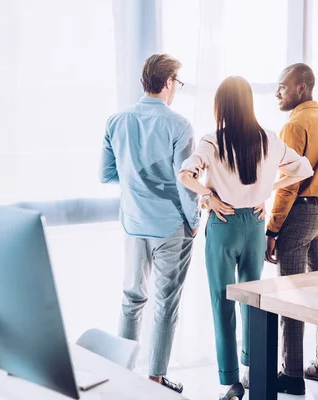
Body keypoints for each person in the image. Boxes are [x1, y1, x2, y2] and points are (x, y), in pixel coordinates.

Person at [178, 76, 313, 400]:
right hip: (254, 223)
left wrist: (208, 194)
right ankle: (254, 371)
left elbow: (185, 175)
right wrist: (267, 190)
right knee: (253, 302)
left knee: (221, 302)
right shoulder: (268, 138)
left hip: (223, 226)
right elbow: (303, 169)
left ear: (220, 106)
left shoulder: (212, 141)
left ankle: (231, 381)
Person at [99, 53, 200, 393]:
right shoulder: (179, 125)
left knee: (131, 298)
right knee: (165, 302)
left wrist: (137, 183)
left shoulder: (116, 121)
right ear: (168, 82)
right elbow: (186, 182)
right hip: (171, 225)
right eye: (178, 83)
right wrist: (194, 220)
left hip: (133, 222)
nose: (177, 90)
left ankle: (121, 375)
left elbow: (106, 174)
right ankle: (156, 378)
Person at [265, 63, 318, 395]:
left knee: (291, 294)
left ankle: (293, 373)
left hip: (297, 214)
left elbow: (287, 184)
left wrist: (272, 230)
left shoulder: (295, 125)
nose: (277, 93)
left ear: (302, 88)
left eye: (282, 87)